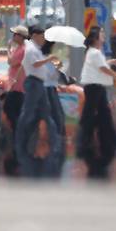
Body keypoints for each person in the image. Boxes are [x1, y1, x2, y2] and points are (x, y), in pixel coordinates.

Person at [78, 26, 116, 179]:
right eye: (102, 34)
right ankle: (85, 144)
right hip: (94, 87)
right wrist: (115, 76)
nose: (104, 36)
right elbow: (103, 68)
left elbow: (101, 64)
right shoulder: (94, 52)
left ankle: (111, 142)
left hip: (98, 87)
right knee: (89, 116)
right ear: (96, 37)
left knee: (104, 115)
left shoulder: (95, 53)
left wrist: (110, 62)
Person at [15, 26, 59, 177]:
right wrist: (49, 59)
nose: (43, 39)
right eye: (42, 36)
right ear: (35, 35)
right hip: (34, 83)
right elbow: (34, 64)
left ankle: (53, 140)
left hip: (39, 83)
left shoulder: (35, 49)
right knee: (28, 113)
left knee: (45, 112)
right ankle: (20, 140)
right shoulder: (31, 48)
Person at [41, 40, 66, 176]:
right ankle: (53, 143)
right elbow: (50, 76)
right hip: (47, 90)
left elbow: (57, 74)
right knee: (55, 118)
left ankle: (53, 142)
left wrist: (58, 67)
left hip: (50, 89)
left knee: (56, 117)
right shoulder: (44, 59)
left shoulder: (50, 59)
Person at [4, 25, 29, 137]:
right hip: (15, 85)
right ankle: (17, 132)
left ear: (21, 37)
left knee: (10, 108)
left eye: (15, 34)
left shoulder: (22, 50)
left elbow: (11, 62)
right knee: (13, 110)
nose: (13, 36)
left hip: (17, 86)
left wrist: (8, 48)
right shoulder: (18, 49)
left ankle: (19, 132)